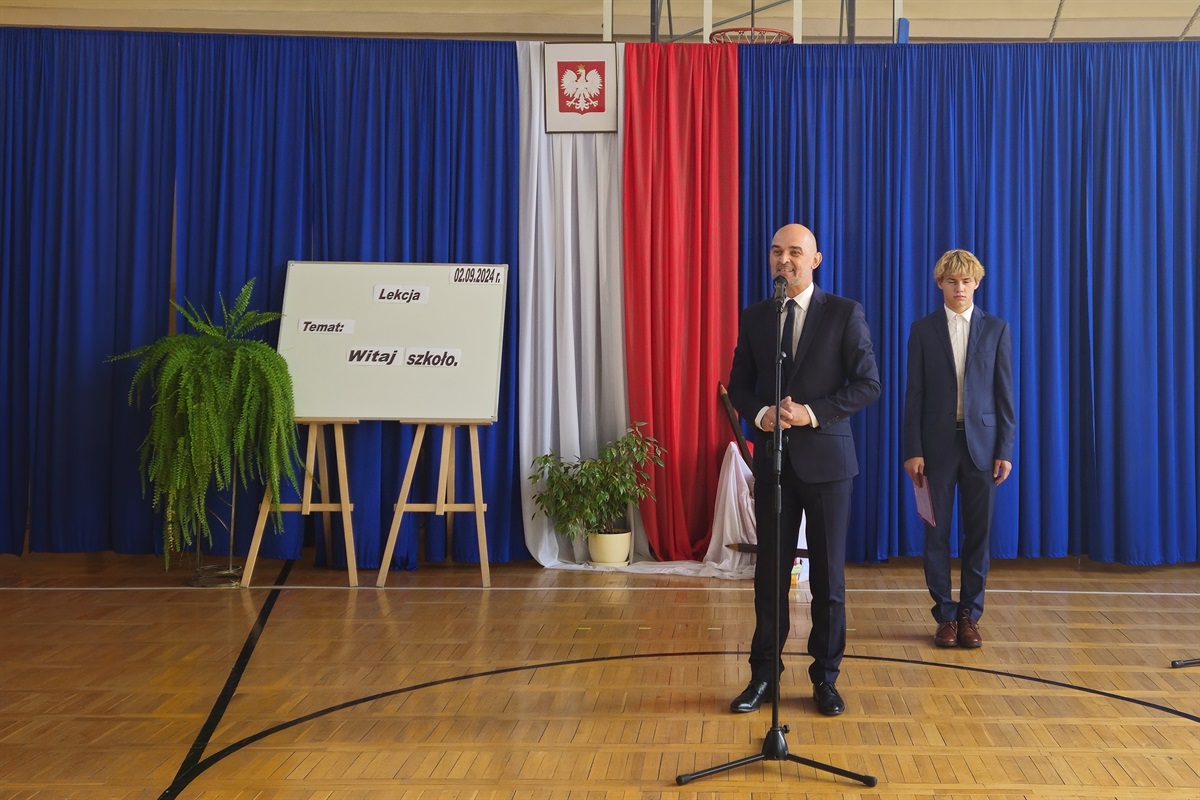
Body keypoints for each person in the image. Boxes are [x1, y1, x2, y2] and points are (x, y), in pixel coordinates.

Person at [726, 223, 881, 716]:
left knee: (828, 580)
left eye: (795, 251)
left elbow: (868, 384)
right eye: (777, 251)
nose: (784, 259)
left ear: (815, 260)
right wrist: (762, 415)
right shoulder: (756, 316)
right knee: (769, 578)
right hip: (774, 464)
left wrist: (810, 413)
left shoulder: (844, 313)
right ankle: (763, 676)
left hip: (829, 465)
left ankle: (825, 679)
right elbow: (739, 387)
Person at [903, 248, 1015, 649]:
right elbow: (914, 395)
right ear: (940, 284)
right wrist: (912, 449)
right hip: (936, 447)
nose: (960, 288)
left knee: (978, 534)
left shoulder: (996, 329)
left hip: (982, 446)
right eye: (952, 281)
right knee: (936, 534)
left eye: (966, 281)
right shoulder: (922, 330)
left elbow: (1005, 394)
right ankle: (945, 615)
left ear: (977, 283)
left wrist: (1005, 448)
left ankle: (970, 615)